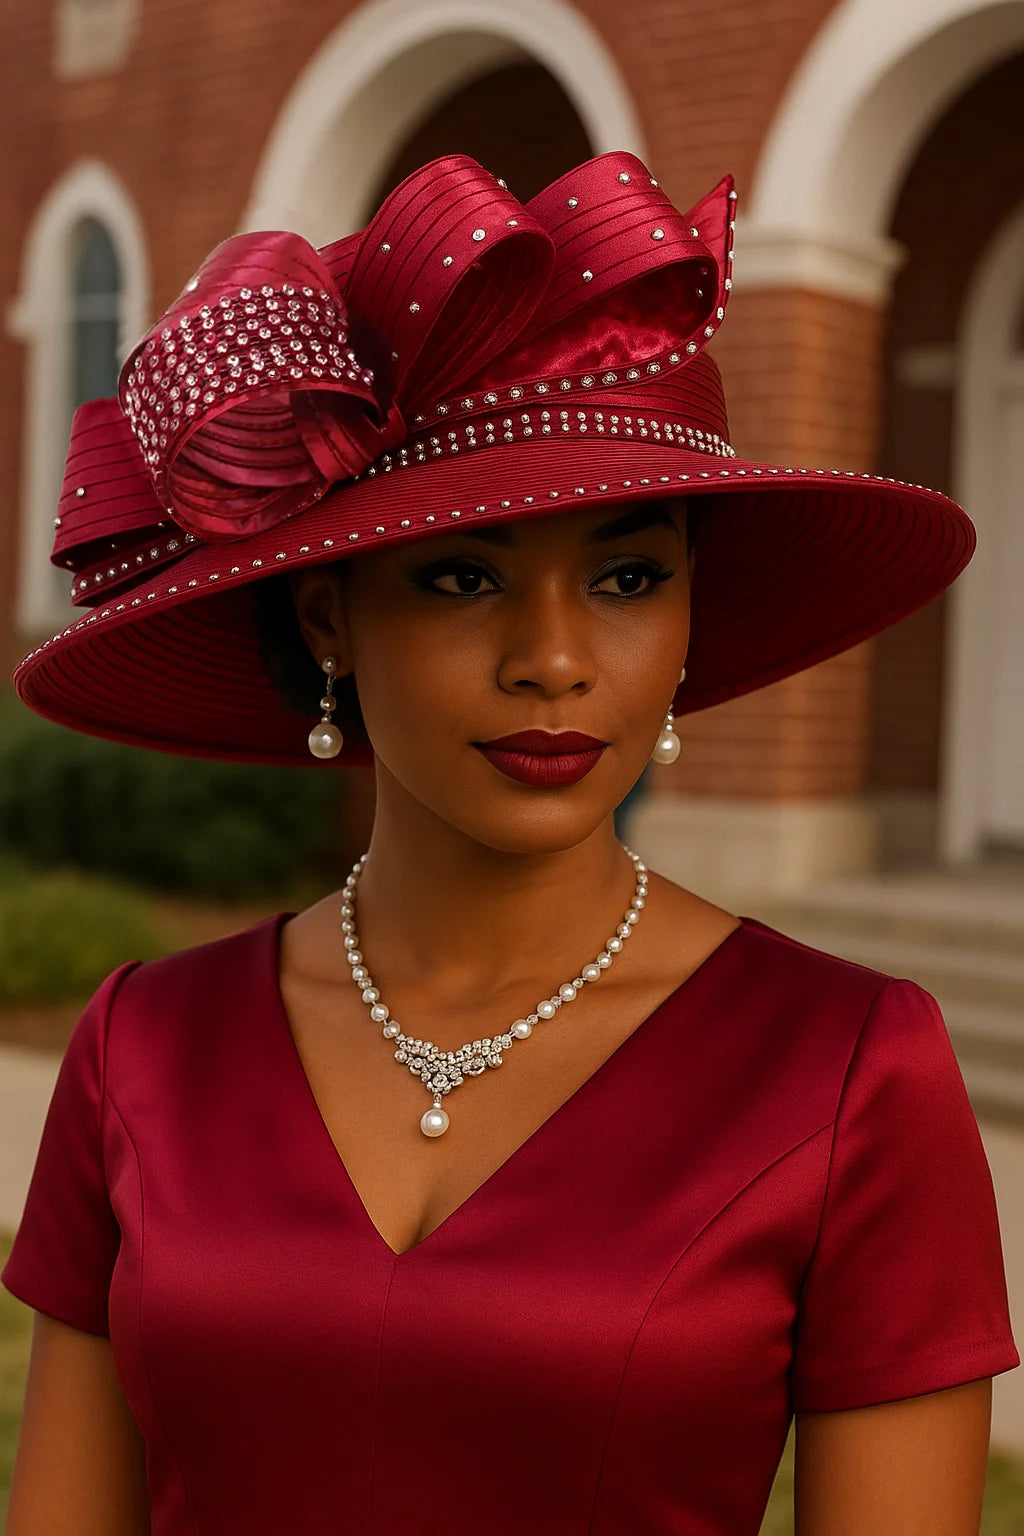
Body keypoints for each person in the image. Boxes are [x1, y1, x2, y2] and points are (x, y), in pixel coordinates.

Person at [2, 150, 1018, 1536]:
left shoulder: (852, 1072)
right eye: (462, 575)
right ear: (328, 622)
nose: (553, 659)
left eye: (627, 575)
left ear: (687, 616)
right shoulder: (142, 1049)